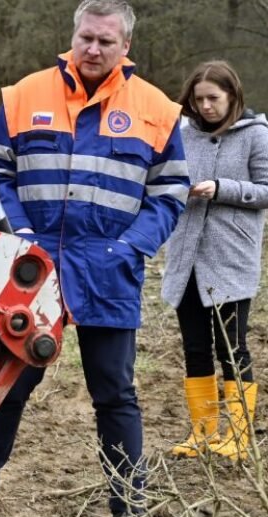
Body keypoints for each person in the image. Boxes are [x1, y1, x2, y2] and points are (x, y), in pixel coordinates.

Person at [0, 0, 189, 517]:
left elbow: (170, 193)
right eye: (86, 38)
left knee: (115, 393)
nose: (93, 50)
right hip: (32, 266)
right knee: (11, 386)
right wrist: (19, 235)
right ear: (74, 35)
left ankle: (130, 509)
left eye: (105, 42)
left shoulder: (158, 110)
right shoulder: (23, 95)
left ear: (126, 48)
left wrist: (130, 247)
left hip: (108, 267)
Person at [162, 61, 268, 461]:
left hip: (230, 257)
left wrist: (222, 188)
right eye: (198, 99)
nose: (205, 106)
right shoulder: (181, 136)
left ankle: (239, 437)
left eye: (213, 98)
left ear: (232, 96)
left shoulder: (257, 135)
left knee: (232, 347)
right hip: (186, 255)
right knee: (194, 348)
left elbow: (266, 189)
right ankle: (203, 431)